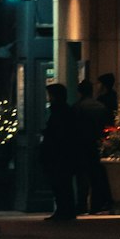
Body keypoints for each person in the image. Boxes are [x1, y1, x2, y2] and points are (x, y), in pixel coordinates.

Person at [40, 83, 80, 221]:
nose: (48, 98)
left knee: (60, 184)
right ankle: (66, 210)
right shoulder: (66, 111)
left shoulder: (59, 112)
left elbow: (58, 134)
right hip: (64, 154)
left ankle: (64, 210)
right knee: (64, 184)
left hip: (59, 154)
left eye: (50, 95)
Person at [73, 79, 113, 214]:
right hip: (95, 144)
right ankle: (96, 205)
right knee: (95, 175)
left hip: (80, 144)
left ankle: (81, 205)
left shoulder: (78, 107)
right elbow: (105, 126)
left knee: (82, 176)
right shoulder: (100, 107)